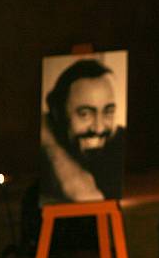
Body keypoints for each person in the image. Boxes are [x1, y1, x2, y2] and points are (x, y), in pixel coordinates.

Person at [41, 59, 125, 203]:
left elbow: (88, 196)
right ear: (57, 112)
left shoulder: (121, 142)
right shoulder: (45, 159)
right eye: (85, 114)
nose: (99, 128)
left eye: (108, 112)